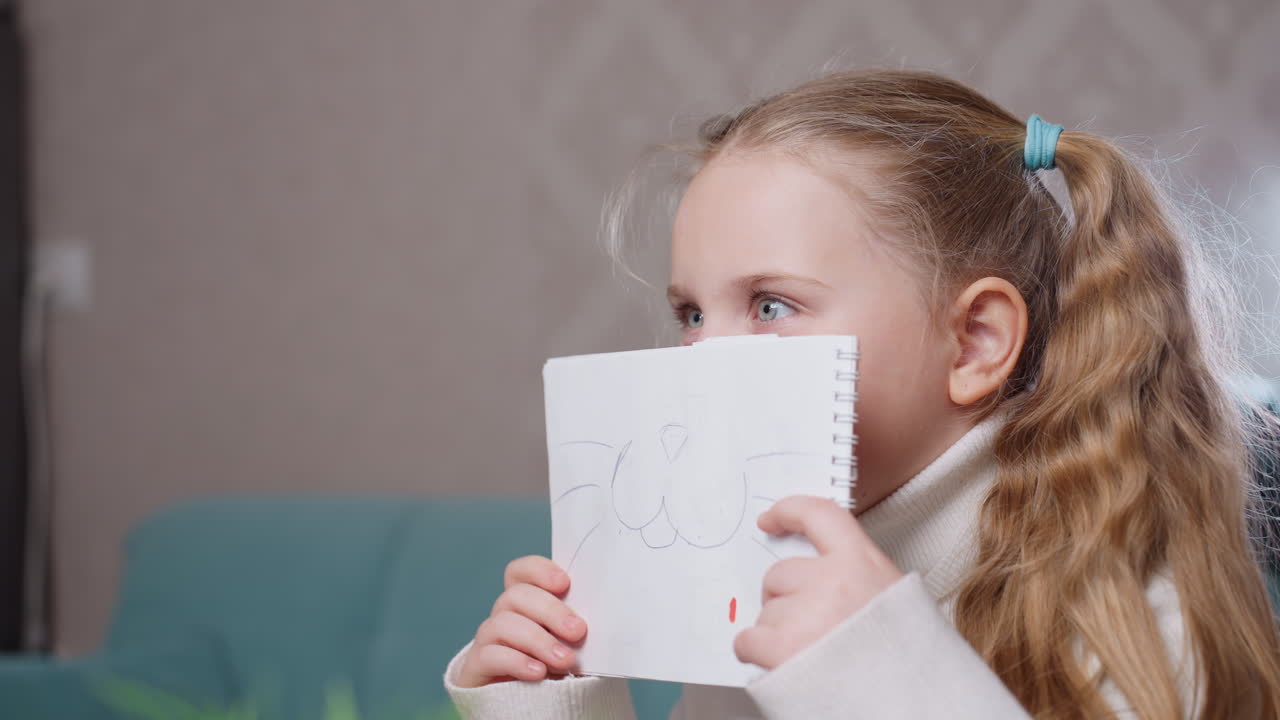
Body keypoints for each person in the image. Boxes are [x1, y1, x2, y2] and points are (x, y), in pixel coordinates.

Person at [442, 69, 1280, 718]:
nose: (704, 357)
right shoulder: (753, 587)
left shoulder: (1131, 616)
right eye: (692, 314)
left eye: (772, 305)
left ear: (975, 342)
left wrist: (873, 672)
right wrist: (555, 698)